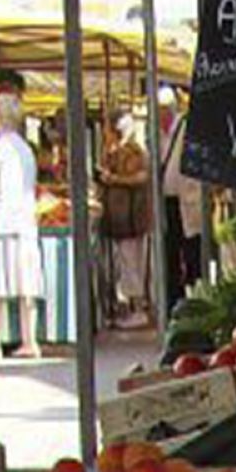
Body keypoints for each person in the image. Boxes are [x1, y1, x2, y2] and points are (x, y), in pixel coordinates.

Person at [0, 90, 44, 361]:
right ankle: (30, 341)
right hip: (26, 220)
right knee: (27, 285)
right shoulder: (26, 150)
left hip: (1, 221)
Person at [100, 108, 152, 328]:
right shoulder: (116, 151)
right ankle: (132, 305)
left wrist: (112, 179)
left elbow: (141, 177)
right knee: (126, 263)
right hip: (121, 218)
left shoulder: (133, 152)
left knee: (132, 263)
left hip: (130, 217)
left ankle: (138, 308)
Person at [160, 87, 202, 310]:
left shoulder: (185, 125)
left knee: (192, 252)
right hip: (168, 203)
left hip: (188, 201)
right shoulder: (156, 133)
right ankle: (173, 303)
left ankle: (195, 300)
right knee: (170, 254)